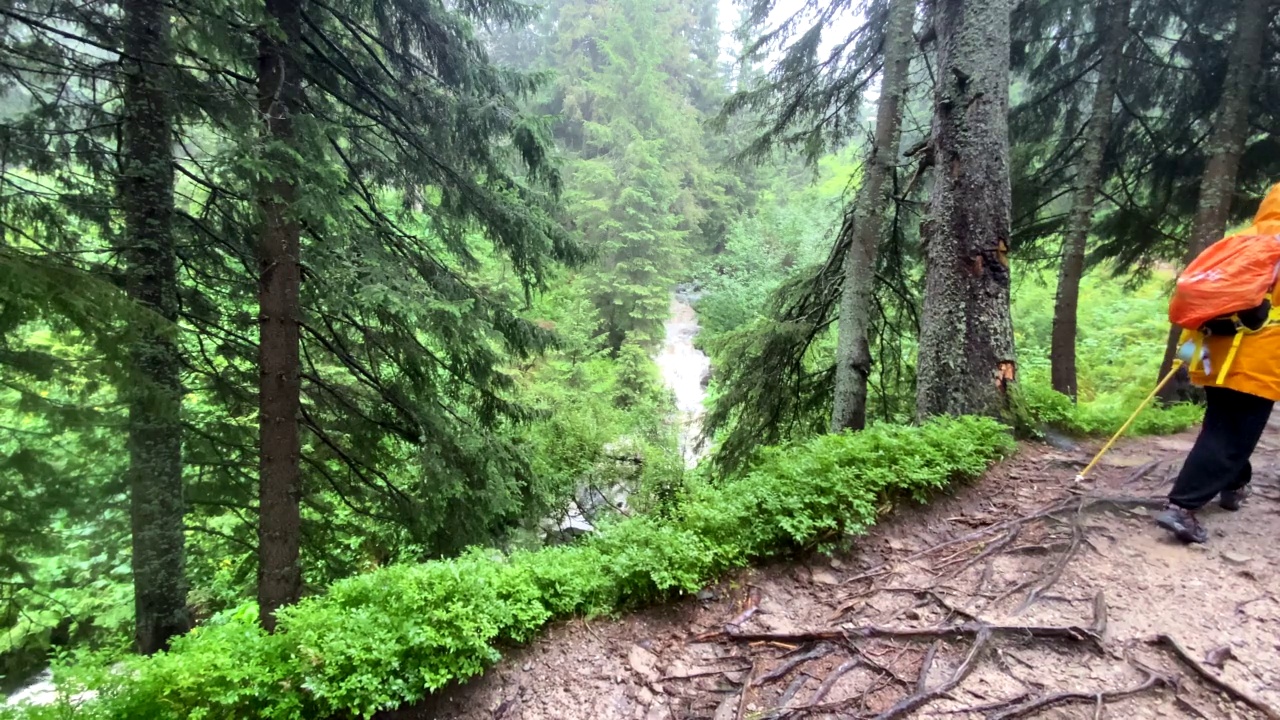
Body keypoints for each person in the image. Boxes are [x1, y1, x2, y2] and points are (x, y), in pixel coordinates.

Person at [1156, 183, 1280, 544]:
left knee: (1224, 425)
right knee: (1231, 434)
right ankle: (1182, 507)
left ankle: (1235, 486)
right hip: (1259, 357)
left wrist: (1188, 353)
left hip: (1214, 351)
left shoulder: (1243, 241)